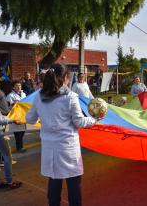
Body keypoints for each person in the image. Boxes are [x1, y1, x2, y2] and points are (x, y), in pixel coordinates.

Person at [26, 64, 96, 206]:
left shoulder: (39, 96)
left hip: (49, 148)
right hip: (67, 148)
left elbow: (30, 119)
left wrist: (44, 116)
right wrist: (94, 119)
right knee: (74, 185)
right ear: (65, 78)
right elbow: (79, 122)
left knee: (54, 184)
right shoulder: (70, 97)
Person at [6, 80, 27, 152]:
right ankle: (19, 148)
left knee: (22, 131)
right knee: (18, 133)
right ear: (13, 87)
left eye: (19, 85)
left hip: (23, 115)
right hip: (16, 116)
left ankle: (20, 146)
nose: (18, 87)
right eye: (17, 86)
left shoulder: (24, 94)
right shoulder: (10, 95)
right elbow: (9, 105)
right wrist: (16, 104)